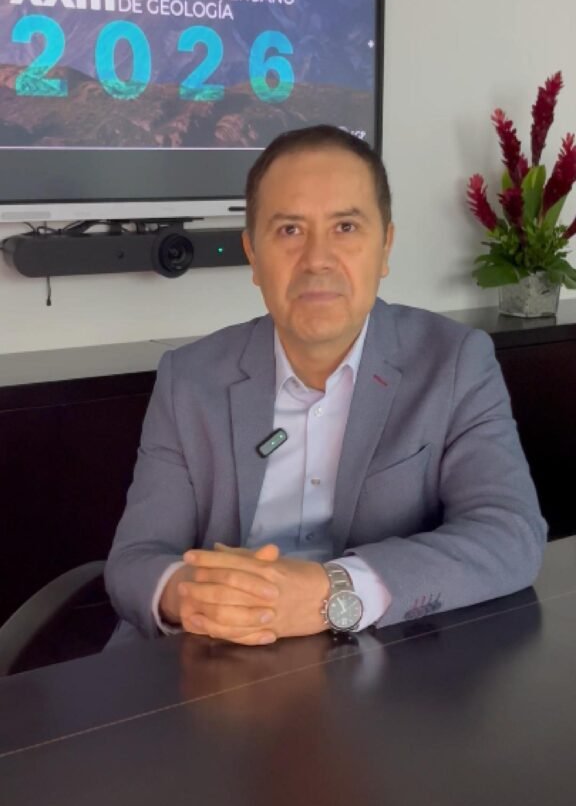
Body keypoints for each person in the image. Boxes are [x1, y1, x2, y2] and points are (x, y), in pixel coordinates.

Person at [105, 125, 546, 647]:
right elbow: (134, 560)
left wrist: (331, 591)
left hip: (377, 660)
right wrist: (191, 595)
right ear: (253, 254)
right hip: (210, 660)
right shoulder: (189, 378)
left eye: (345, 227)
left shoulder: (454, 363)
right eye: (289, 229)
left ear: (385, 246)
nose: (317, 259)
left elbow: (510, 534)